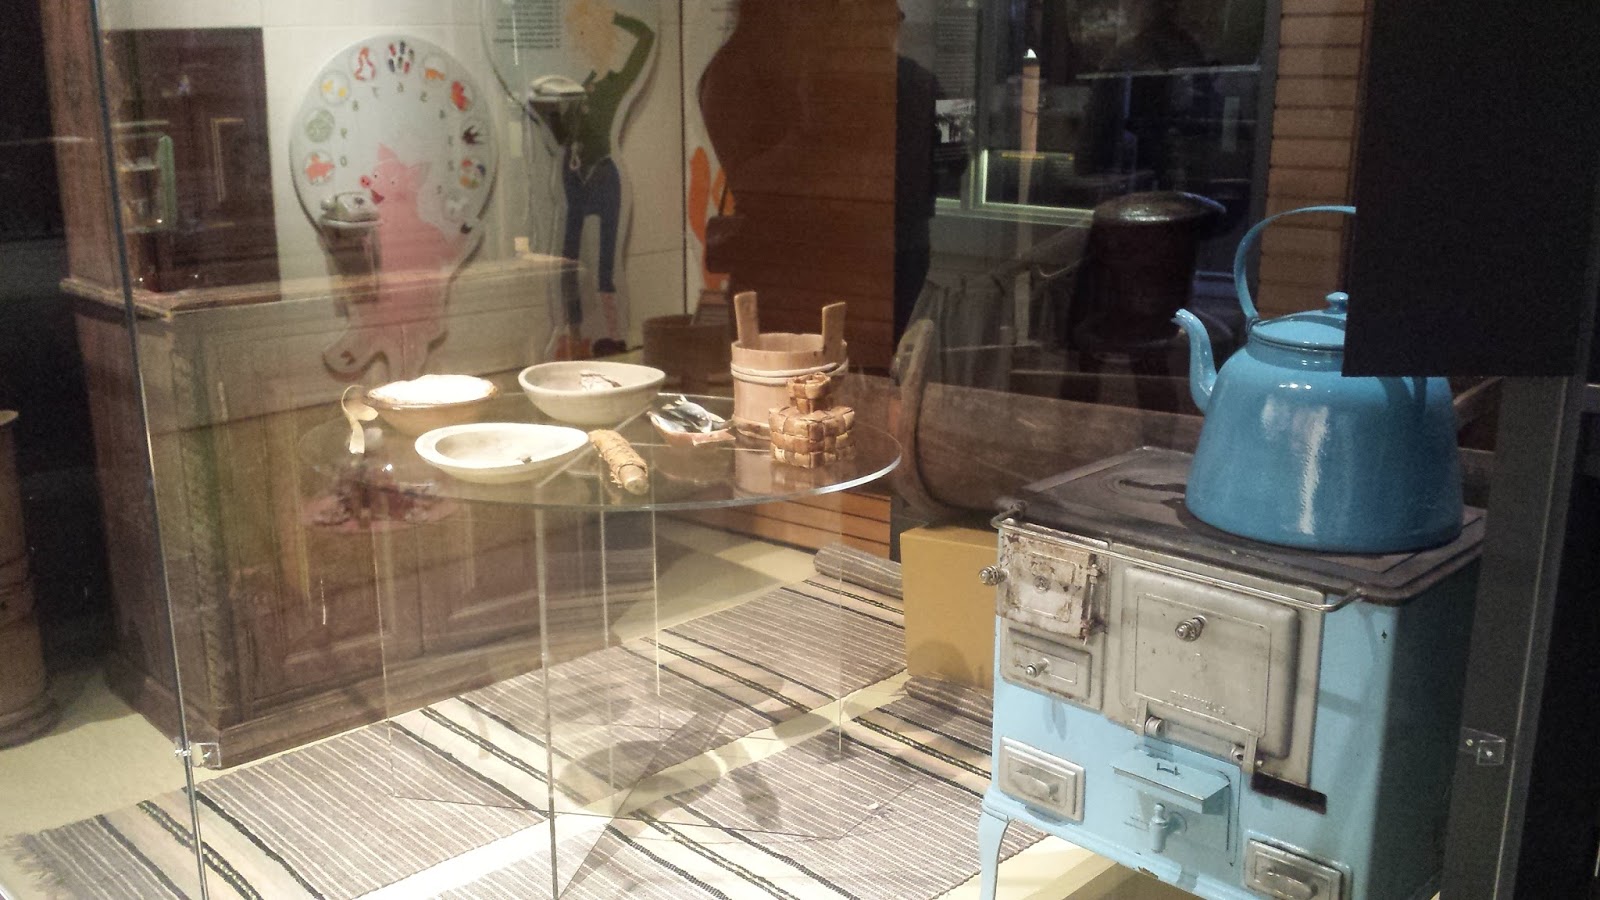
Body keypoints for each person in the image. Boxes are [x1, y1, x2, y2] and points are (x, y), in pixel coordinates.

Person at [534, 0, 655, 359]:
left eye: (586, 35)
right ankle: (574, 333)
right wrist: (548, 115)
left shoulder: (615, 84)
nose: (581, 43)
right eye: (579, 35)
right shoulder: (580, 86)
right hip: (575, 178)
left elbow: (646, 37)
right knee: (567, 261)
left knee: (606, 265)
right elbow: (565, 138)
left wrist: (612, 15)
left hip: (603, 176)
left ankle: (613, 335)